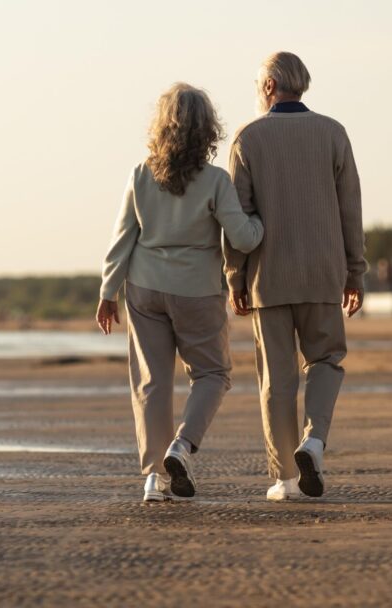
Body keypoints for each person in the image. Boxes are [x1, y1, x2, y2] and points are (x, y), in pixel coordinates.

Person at [97, 82, 264, 502]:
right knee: (212, 374)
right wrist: (261, 222)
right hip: (197, 291)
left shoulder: (140, 175)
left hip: (145, 287)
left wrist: (107, 292)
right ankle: (182, 446)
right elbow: (243, 239)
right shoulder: (215, 181)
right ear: (208, 129)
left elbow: (122, 239)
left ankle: (153, 478)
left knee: (151, 383)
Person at [224, 52, 367, 501]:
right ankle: (315, 441)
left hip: (269, 278)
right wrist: (355, 271)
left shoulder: (248, 138)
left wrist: (235, 279)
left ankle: (286, 479)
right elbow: (351, 210)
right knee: (326, 361)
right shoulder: (333, 133)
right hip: (324, 272)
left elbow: (237, 218)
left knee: (277, 380)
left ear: (268, 87)